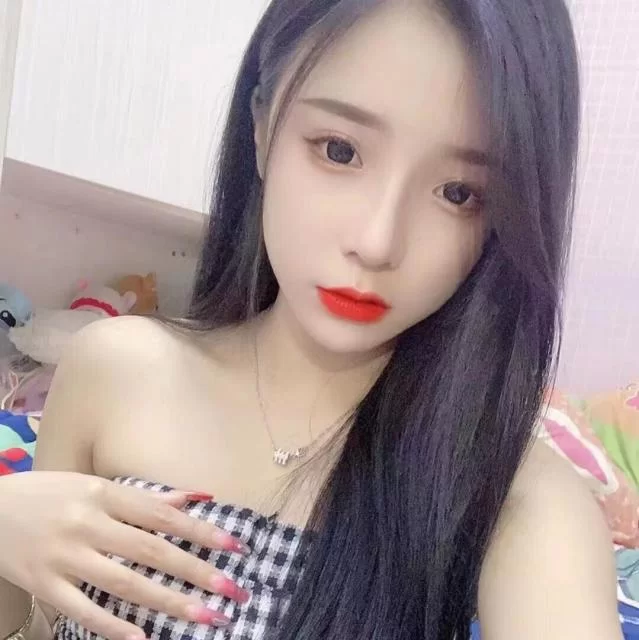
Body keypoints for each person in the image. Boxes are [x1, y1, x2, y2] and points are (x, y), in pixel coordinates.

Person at [0, 0, 624, 638]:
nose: (377, 242)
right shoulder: (115, 369)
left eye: (458, 193)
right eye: (340, 150)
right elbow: (44, 621)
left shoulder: (514, 499)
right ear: (263, 128)